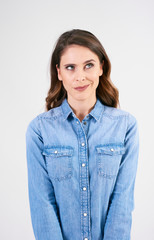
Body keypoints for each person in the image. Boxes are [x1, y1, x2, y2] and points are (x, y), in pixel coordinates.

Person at [25, 29, 139, 240]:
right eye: (70, 67)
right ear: (59, 72)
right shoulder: (39, 130)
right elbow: (42, 205)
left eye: (89, 65)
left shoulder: (125, 126)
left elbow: (122, 202)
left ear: (101, 68)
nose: (80, 76)